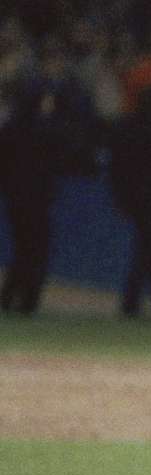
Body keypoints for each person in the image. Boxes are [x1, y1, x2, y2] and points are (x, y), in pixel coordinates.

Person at [110, 85, 151, 317]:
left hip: (140, 196)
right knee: (148, 248)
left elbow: (116, 166)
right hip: (148, 196)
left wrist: (120, 197)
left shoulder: (130, 125)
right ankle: (135, 302)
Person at [0, 77, 63, 316]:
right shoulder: (43, 129)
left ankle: (9, 297)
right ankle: (28, 301)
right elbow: (61, 157)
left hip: (16, 200)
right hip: (36, 199)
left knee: (22, 249)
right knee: (37, 250)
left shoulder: (11, 126)